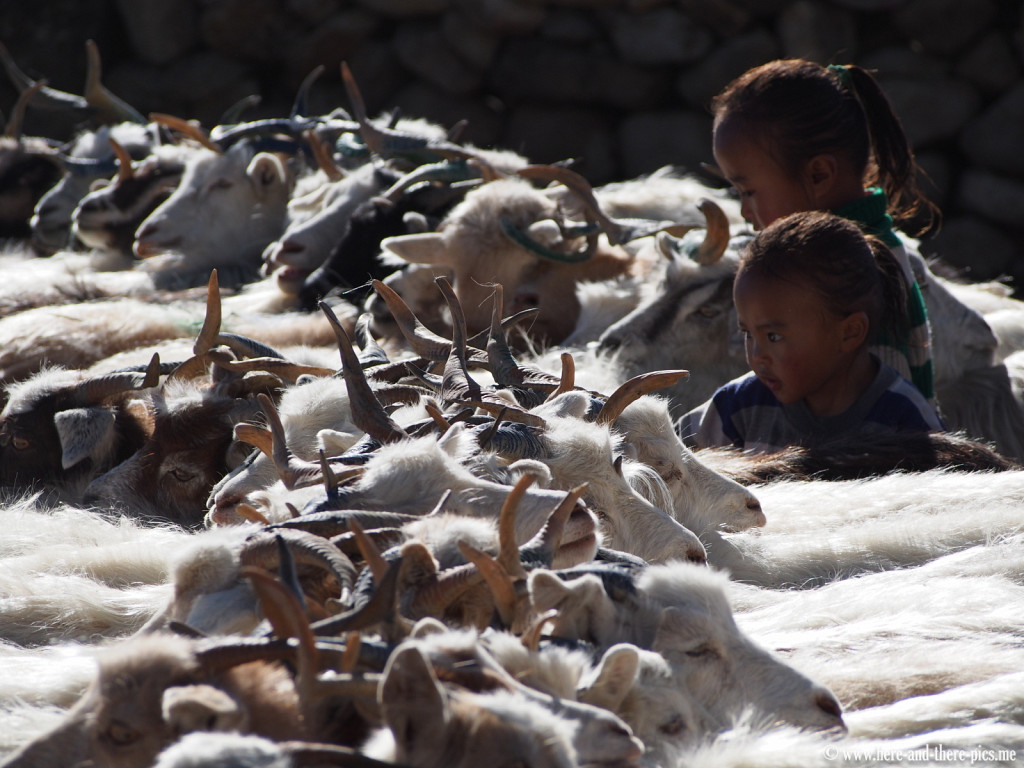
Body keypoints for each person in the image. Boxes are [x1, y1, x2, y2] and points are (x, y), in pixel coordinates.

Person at [708, 58, 944, 403]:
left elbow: (879, 419)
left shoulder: (865, 266)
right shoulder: (818, 257)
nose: (744, 211)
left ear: (818, 174)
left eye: (749, 191)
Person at [679, 211, 944, 454]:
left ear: (850, 333)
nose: (757, 356)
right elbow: (662, 459)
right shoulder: (738, 407)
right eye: (748, 334)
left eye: (773, 337)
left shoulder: (905, 420)